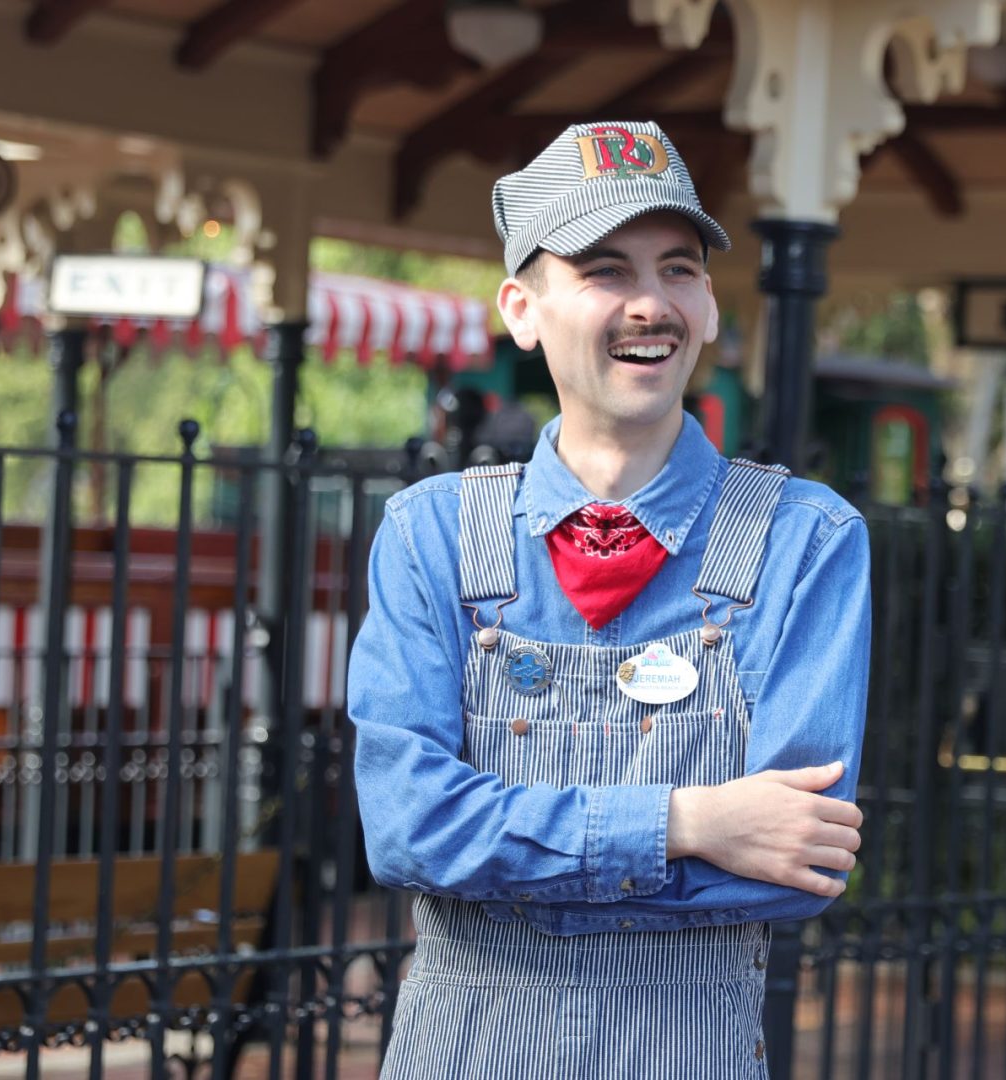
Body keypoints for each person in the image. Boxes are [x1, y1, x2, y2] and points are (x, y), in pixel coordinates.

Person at [347, 120, 871, 1079]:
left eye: (678, 270)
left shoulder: (807, 540)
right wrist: (691, 825)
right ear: (522, 307)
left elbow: (800, 865)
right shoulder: (429, 535)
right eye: (603, 270)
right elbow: (404, 827)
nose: (650, 305)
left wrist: (500, 850)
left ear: (710, 307)